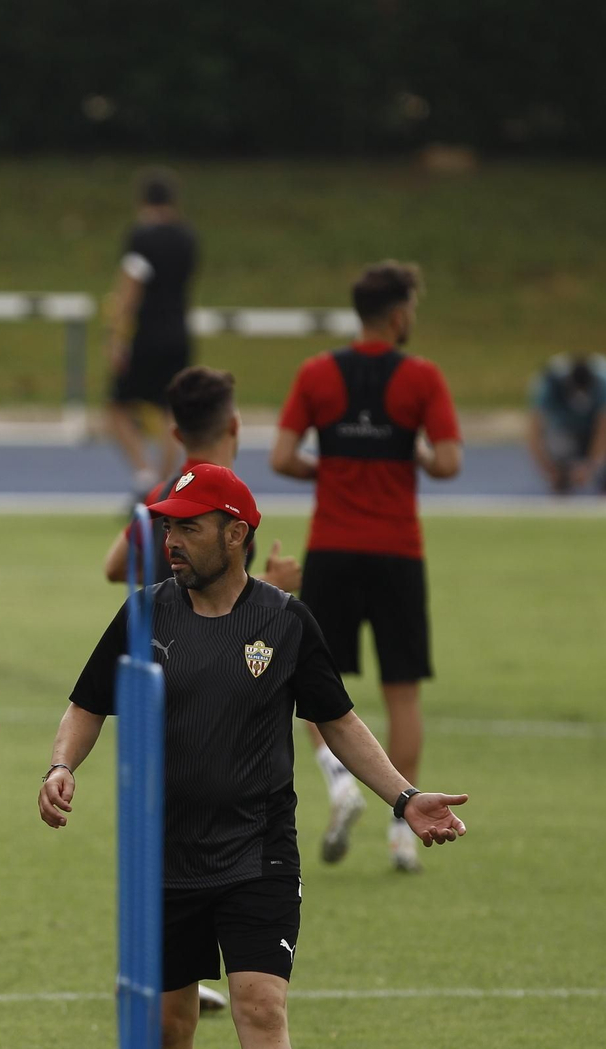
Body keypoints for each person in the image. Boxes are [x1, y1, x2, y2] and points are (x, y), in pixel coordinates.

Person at [39, 463, 470, 1049]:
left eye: (188, 528)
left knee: (262, 1007)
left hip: (257, 851)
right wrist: (61, 766)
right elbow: (88, 704)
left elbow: (340, 721)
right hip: (164, 855)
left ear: (235, 533)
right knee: (166, 1027)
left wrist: (404, 797)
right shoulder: (144, 614)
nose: (171, 542)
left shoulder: (285, 621)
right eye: (168, 528)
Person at [269, 261, 462, 872]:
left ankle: (341, 785)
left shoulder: (318, 373)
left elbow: (281, 456)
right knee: (401, 691)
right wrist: (415, 453)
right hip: (397, 552)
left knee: (314, 687)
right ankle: (403, 828)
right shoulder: (422, 378)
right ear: (401, 314)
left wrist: (328, 468)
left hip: (332, 547)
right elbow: (449, 462)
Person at [105, 367, 301, 593]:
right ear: (234, 425)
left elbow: (114, 567)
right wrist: (273, 582)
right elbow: (209, 597)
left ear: (177, 434)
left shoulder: (160, 494)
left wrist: (163, 583)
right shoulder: (231, 504)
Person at [106, 168, 199, 496]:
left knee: (117, 407)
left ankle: (145, 478)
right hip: (179, 334)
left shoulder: (142, 237)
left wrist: (116, 335)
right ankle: (163, 487)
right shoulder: (188, 238)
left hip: (146, 335)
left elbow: (131, 287)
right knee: (170, 411)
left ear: (143, 201)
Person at [527, 352, 606, 495]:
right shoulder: (548, 381)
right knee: (559, 448)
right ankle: (562, 480)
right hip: (564, 431)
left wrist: (591, 467)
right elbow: (534, 431)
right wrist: (548, 469)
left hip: (592, 430)